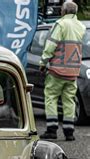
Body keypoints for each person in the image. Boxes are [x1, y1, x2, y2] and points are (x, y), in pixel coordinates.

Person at [39, 1, 85, 141]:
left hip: (57, 70)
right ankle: (69, 131)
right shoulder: (81, 26)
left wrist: (43, 62)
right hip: (74, 71)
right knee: (69, 100)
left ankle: (52, 130)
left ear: (63, 11)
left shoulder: (60, 24)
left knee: (51, 97)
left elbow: (51, 45)